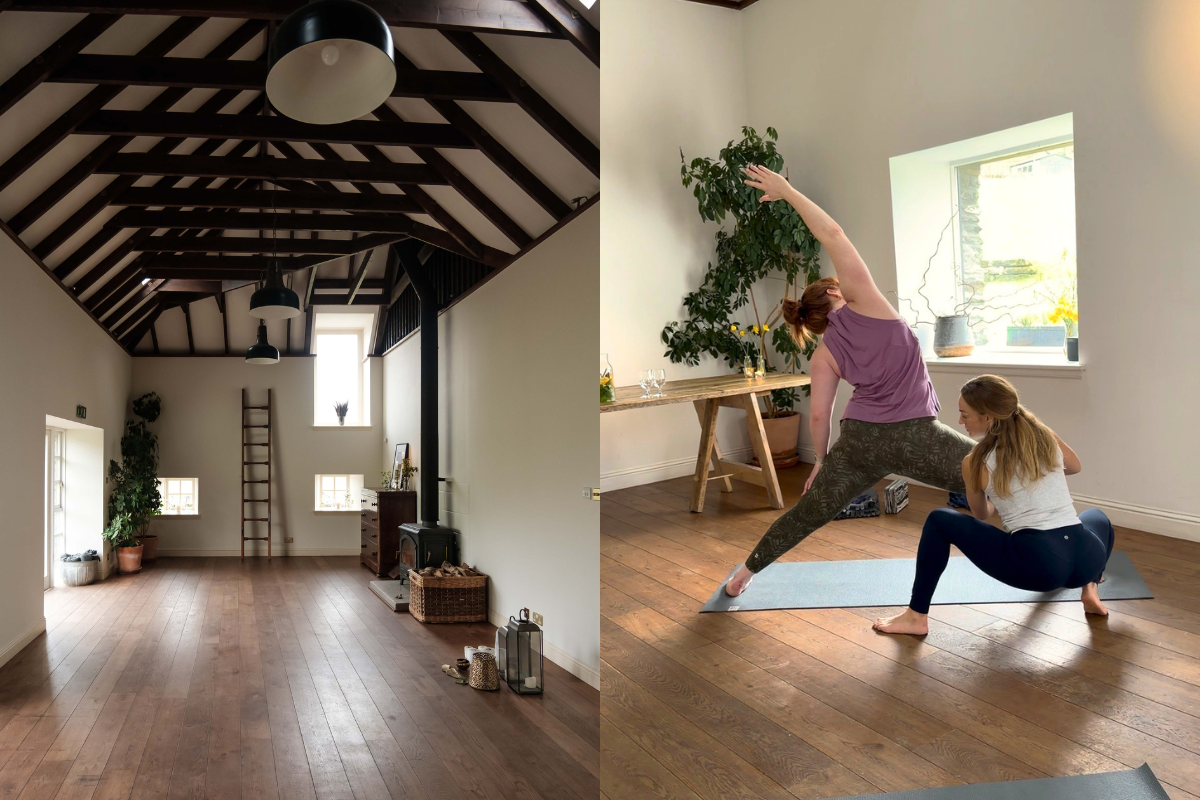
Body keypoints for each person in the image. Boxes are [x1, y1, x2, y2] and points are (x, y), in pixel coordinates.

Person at [724, 165, 976, 597]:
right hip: (917, 433)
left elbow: (819, 414)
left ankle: (742, 577)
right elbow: (834, 235)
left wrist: (820, 461)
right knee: (999, 470)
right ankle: (1055, 552)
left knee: (808, 513)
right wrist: (788, 191)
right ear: (837, 293)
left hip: (859, 441)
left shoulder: (823, 354)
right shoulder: (866, 304)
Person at [873, 375, 1113, 635]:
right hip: (1088, 558)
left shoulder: (976, 461)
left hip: (1041, 567)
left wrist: (1000, 498)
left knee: (939, 520)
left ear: (988, 417)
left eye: (965, 415)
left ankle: (916, 616)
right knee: (1096, 516)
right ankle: (1090, 587)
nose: (960, 421)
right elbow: (1075, 467)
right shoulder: (1045, 436)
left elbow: (982, 514)